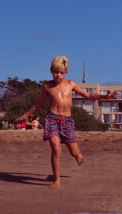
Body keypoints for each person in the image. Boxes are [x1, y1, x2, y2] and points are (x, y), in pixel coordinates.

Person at [16, 56, 109, 189]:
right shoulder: (47, 86)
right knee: (56, 149)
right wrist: (24, 116)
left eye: (61, 73)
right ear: (50, 70)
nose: (58, 75)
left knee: (74, 152)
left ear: (66, 73)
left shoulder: (71, 84)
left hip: (67, 121)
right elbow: (38, 104)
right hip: (52, 119)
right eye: (55, 72)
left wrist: (105, 96)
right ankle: (57, 180)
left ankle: (77, 154)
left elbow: (88, 96)